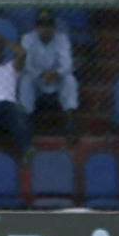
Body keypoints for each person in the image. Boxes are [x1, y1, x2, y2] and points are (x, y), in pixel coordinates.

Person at [19, 10, 78, 139]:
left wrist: (55, 73)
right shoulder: (27, 38)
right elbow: (26, 65)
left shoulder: (62, 38)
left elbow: (67, 64)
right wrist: (41, 74)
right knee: (25, 80)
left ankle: (70, 122)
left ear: (54, 27)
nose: (45, 29)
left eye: (49, 25)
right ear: (37, 27)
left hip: (56, 78)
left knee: (69, 79)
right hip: (37, 79)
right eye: (42, 25)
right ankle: (25, 122)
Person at [0, 32, 32, 163]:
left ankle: (27, 150)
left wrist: (4, 41)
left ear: (2, 54)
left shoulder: (10, 67)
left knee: (18, 112)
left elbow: (23, 54)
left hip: (9, 106)